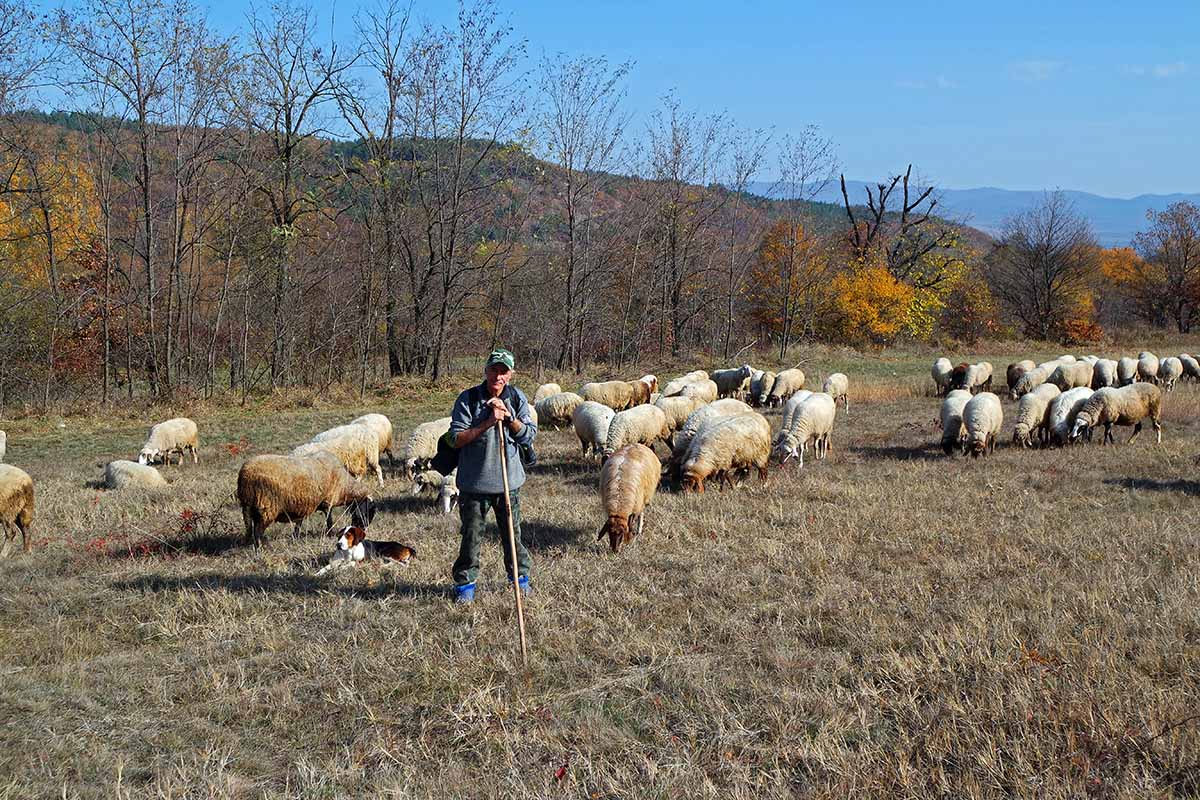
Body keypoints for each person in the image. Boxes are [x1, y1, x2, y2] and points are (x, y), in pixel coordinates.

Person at [448, 348, 538, 604]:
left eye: (504, 371)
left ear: (510, 374)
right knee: (471, 536)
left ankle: (520, 580)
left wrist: (509, 419)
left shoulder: (517, 398)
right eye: (494, 370)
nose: (498, 376)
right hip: (474, 485)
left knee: (512, 535)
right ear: (486, 370)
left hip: (509, 484)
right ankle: (465, 586)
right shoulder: (468, 399)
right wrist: (487, 422)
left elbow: (529, 435)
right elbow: (455, 438)